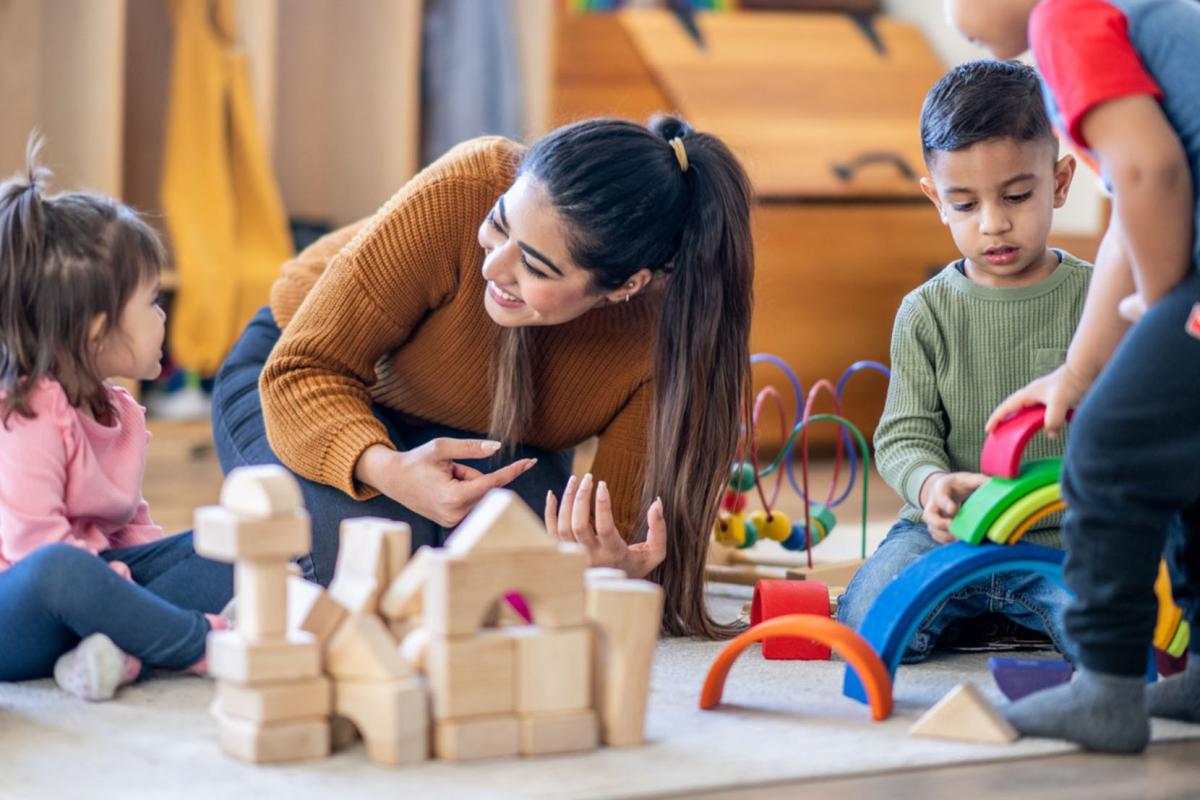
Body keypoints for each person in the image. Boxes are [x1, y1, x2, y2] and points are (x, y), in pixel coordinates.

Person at [212, 116, 755, 636]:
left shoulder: (666, 341)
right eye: (499, 223)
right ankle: (132, 581)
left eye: (537, 268)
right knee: (358, 567)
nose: (492, 268)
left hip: (492, 435)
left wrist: (604, 570)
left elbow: (623, 533)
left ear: (623, 287)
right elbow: (302, 369)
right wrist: (387, 470)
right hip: (302, 373)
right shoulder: (466, 184)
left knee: (504, 580)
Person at [947, 0, 1200, 752]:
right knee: (1179, 448)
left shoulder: (1070, 18)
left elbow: (1150, 174)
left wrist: (1160, 311)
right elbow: (1132, 207)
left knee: (1109, 450)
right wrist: (1081, 370)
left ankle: (1105, 686)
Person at [837, 60, 1090, 661]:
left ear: (1058, 182)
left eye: (1017, 196)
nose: (994, 223)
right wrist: (930, 486)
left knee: (1126, 631)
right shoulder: (925, 312)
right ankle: (986, 618)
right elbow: (903, 435)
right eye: (965, 203)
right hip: (943, 538)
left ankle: (1006, 619)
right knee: (865, 614)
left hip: (1065, 540)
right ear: (937, 201)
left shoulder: (1094, 298)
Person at [0, 136, 233, 700]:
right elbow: (36, 550)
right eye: (154, 302)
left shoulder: (119, 411)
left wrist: (144, 589)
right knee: (63, 568)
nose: (162, 317)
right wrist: (130, 598)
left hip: (95, 588)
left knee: (224, 543)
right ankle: (203, 642)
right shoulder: (29, 414)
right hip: (23, 610)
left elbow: (133, 528)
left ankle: (118, 645)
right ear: (99, 330)